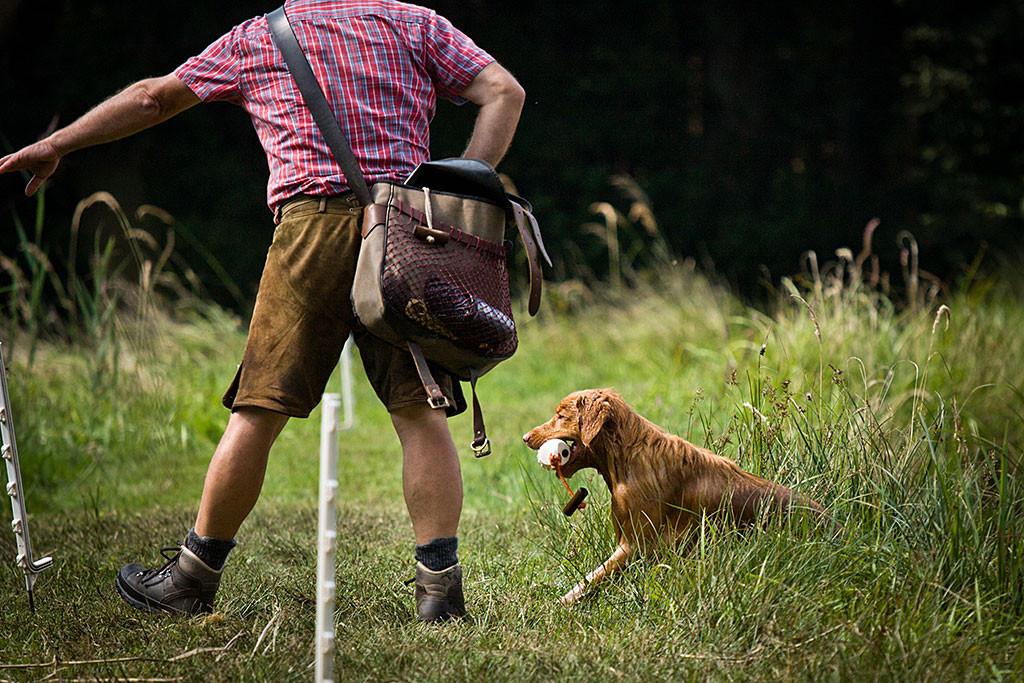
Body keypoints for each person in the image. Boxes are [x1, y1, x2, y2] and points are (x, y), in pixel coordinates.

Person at [0, 0, 525, 622]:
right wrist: (455, 186)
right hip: (407, 233)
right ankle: (439, 594)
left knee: (258, 412)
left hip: (309, 233)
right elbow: (504, 91)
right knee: (420, 412)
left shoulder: (258, 37)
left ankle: (191, 580)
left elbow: (150, 100)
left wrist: (57, 143)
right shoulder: (415, 23)